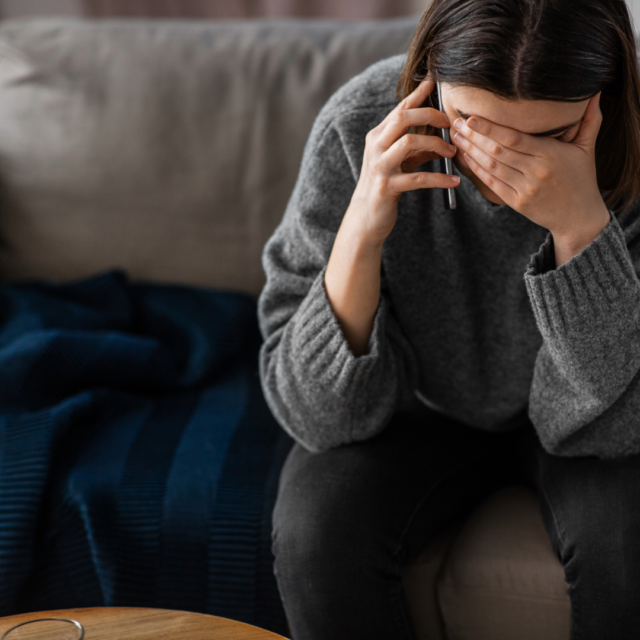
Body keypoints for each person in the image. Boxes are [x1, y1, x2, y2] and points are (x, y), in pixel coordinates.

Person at [256, 0, 640, 638]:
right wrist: (361, 233)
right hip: (415, 410)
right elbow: (315, 416)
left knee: (627, 542)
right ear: (428, 74)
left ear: (605, 98)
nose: (504, 168)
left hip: (590, 419)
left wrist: (580, 225)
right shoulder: (359, 126)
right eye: (472, 124)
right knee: (315, 534)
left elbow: (617, 427)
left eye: (550, 137)